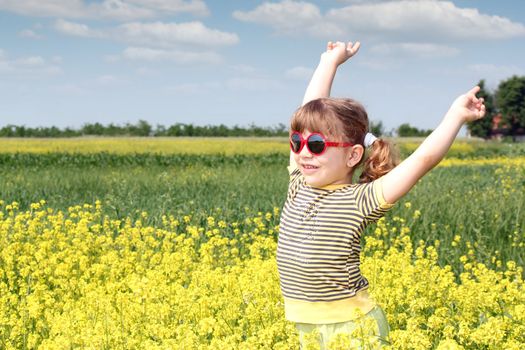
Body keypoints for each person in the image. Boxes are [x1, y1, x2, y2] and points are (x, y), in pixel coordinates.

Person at [276, 41, 485, 349]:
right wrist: (329, 62)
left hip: (351, 328)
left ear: (352, 156)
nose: (304, 152)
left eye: (317, 145)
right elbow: (309, 106)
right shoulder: (298, 183)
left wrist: (455, 116)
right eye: (297, 142)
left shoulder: (359, 200)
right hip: (303, 326)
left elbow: (421, 161)